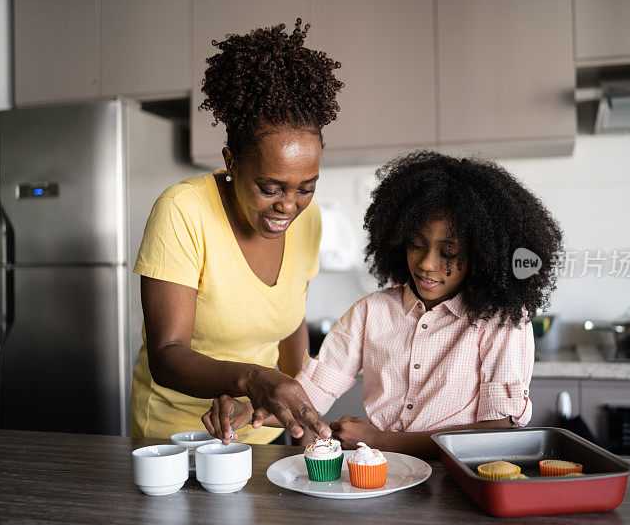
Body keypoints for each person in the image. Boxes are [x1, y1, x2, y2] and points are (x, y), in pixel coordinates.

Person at [202, 151, 564, 457]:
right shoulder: (372, 312)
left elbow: (497, 434)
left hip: (459, 487)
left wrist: (382, 441)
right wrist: (248, 408)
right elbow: (314, 389)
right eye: (417, 244)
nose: (426, 263)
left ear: (484, 256)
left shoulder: (501, 323)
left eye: (449, 252)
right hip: (385, 478)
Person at [129, 19, 344, 443]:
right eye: (270, 188)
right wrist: (253, 378)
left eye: (306, 187)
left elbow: (290, 322)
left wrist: (299, 410)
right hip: (176, 439)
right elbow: (167, 355)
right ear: (232, 162)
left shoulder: (309, 219)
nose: (288, 205)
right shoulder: (183, 210)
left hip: (260, 434)